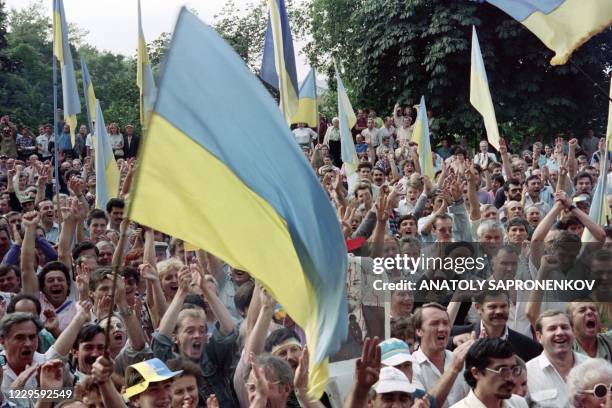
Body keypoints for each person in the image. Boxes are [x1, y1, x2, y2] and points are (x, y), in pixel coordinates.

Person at [526, 310, 589, 407]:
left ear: (573, 332)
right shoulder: (527, 374)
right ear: (539, 337)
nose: (560, 332)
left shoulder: (592, 366)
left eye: (564, 327)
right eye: (552, 329)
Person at [451, 338, 528, 407]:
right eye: (502, 371)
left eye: (514, 369)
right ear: (476, 372)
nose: (511, 378)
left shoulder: (519, 404)